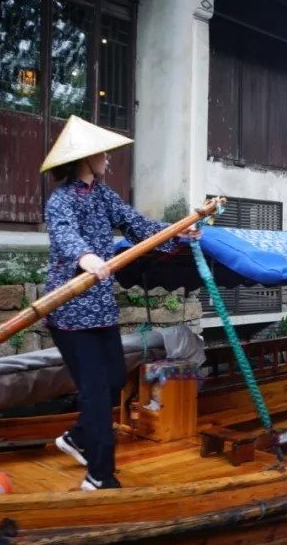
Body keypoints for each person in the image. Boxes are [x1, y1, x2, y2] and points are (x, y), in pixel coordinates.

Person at [40, 116, 201, 491]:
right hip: (70, 310)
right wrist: (86, 257)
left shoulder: (102, 194)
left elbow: (135, 224)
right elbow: (64, 235)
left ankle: (79, 437)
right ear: (86, 158)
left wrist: (177, 232)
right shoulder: (60, 200)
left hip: (99, 306)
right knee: (95, 391)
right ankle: (99, 475)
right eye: (104, 154)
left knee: (114, 377)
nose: (109, 160)